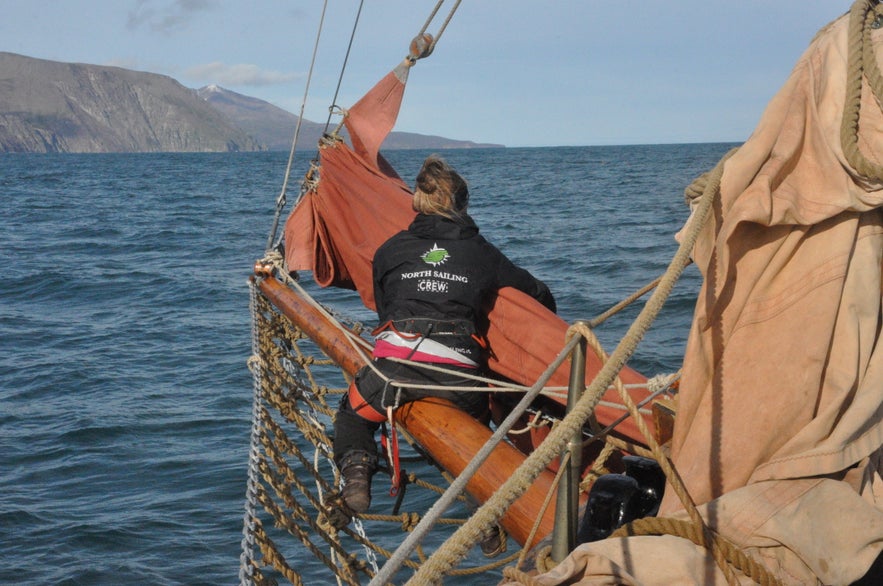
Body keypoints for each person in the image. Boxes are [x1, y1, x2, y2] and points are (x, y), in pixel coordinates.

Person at [333, 154, 556, 517]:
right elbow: (539, 294)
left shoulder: (390, 250)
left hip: (393, 370)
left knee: (352, 417)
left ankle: (357, 479)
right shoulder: (482, 253)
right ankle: (484, 515)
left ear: (418, 203)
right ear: (463, 206)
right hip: (459, 379)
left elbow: (383, 308)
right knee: (467, 440)